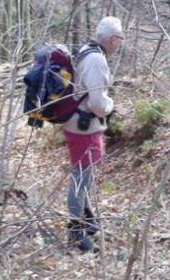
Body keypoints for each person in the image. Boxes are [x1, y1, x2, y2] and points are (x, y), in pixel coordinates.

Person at [63, 16, 124, 253]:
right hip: (84, 127)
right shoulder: (97, 59)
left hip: (77, 123)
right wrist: (110, 106)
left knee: (84, 177)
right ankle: (77, 233)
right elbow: (98, 103)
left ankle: (88, 221)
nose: (119, 44)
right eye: (119, 39)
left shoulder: (86, 51)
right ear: (111, 39)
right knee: (80, 179)